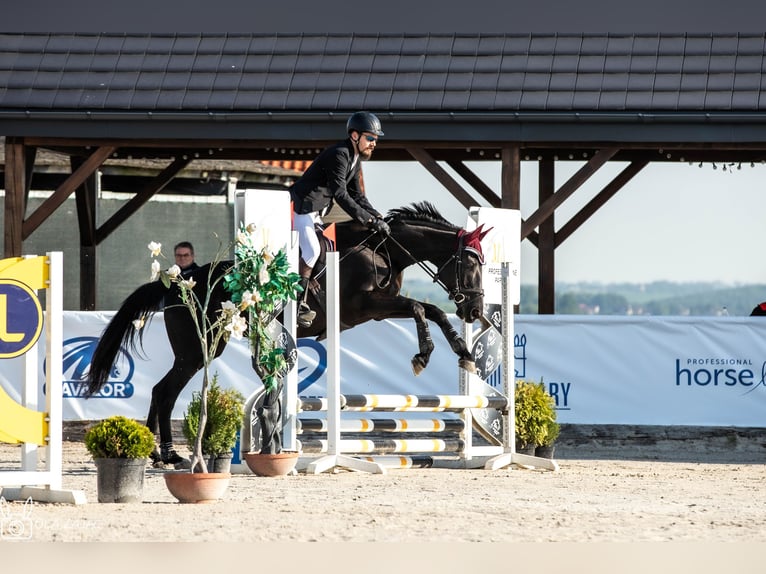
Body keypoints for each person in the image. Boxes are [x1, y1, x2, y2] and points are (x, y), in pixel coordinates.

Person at [289, 111, 391, 327]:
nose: (374, 143)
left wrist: (375, 214)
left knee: (326, 250)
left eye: (376, 139)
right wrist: (369, 222)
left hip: (315, 212)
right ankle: (297, 303)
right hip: (300, 208)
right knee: (312, 250)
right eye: (370, 138)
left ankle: (310, 295)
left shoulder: (354, 159)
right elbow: (340, 194)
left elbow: (357, 195)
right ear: (355, 136)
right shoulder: (340, 154)